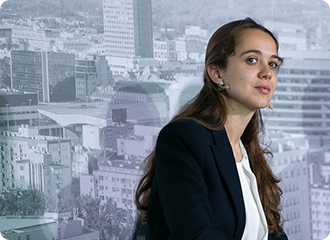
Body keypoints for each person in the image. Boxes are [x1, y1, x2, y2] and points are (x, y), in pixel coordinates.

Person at [135, 18, 288, 240]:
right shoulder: (183, 139)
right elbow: (196, 235)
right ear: (217, 74)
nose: (267, 73)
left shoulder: (250, 155)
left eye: (273, 64)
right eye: (252, 60)